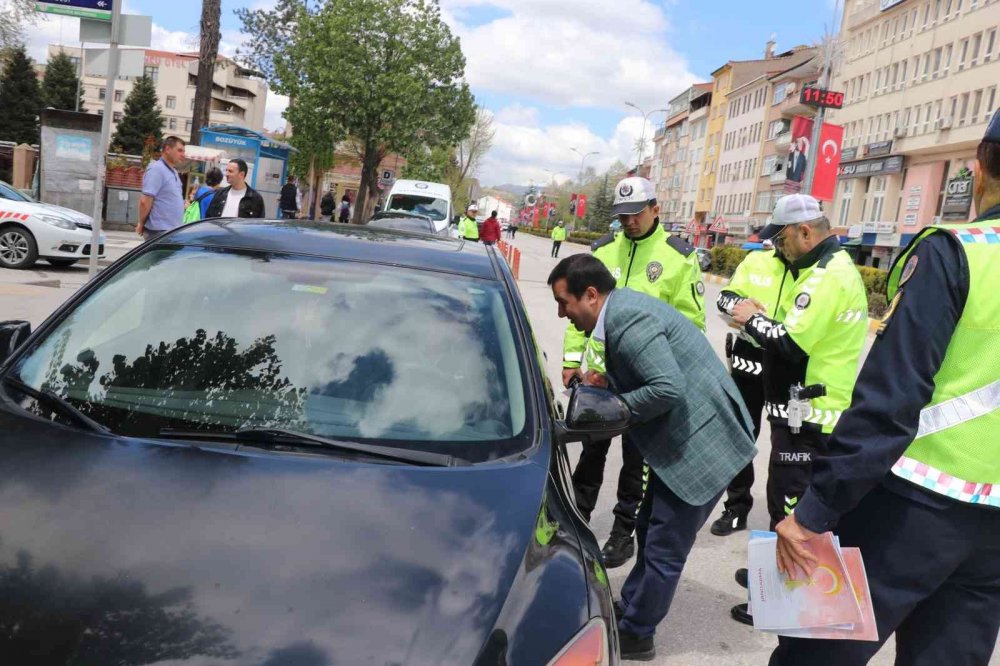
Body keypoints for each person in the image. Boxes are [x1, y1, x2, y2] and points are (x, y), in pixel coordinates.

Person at [768, 109, 1000, 666]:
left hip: (911, 505)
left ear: (979, 166)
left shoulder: (958, 251)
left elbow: (891, 401)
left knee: (816, 656)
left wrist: (814, 511)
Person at [549, 254, 756, 661]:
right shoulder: (621, 311)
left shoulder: (626, 320)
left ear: (590, 295)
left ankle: (638, 634)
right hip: (683, 441)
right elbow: (655, 374)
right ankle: (632, 606)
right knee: (648, 527)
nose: (561, 314)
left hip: (704, 445)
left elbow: (666, 388)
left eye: (564, 303)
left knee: (665, 547)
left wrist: (615, 406)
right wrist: (609, 382)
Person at [727, 193, 868, 625]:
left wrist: (750, 317)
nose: (778, 247)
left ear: (805, 232)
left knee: (790, 510)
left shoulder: (827, 277)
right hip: (803, 413)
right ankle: (774, 580)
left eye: (782, 238)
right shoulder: (826, 269)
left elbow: (789, 341)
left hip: (811, 416)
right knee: (786, 502)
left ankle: (780, 605)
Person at [563, 176, 706, 570]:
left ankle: (622, 533)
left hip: (644, 379)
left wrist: (669, 376)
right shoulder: (603, 251)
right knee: (591, 451)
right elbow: (576, 309)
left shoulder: (678, 257)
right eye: (622, 216)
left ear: (656, 209)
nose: (628, 222)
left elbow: (691, 323)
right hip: (598, 375)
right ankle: (575, 522)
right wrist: (573, 359)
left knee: (636, 460)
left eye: (636, 214)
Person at [710, 245, 787, 536]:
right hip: (748, 362)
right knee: (740, 437)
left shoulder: (817, 270)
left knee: (786, 449)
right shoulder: (756, 260)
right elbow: (724, 297)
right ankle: (736, 508)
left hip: (790, 366)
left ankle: (781, 523)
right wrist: (741, 307)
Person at [136, 136, 187, 241]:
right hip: (159, 232)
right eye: (180, 150)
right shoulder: (157, 169)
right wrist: (141, 223)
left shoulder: (174, 172)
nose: (183, 155)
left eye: (183, 151)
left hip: (171, 231)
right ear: (167, 149)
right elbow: (145, 201)